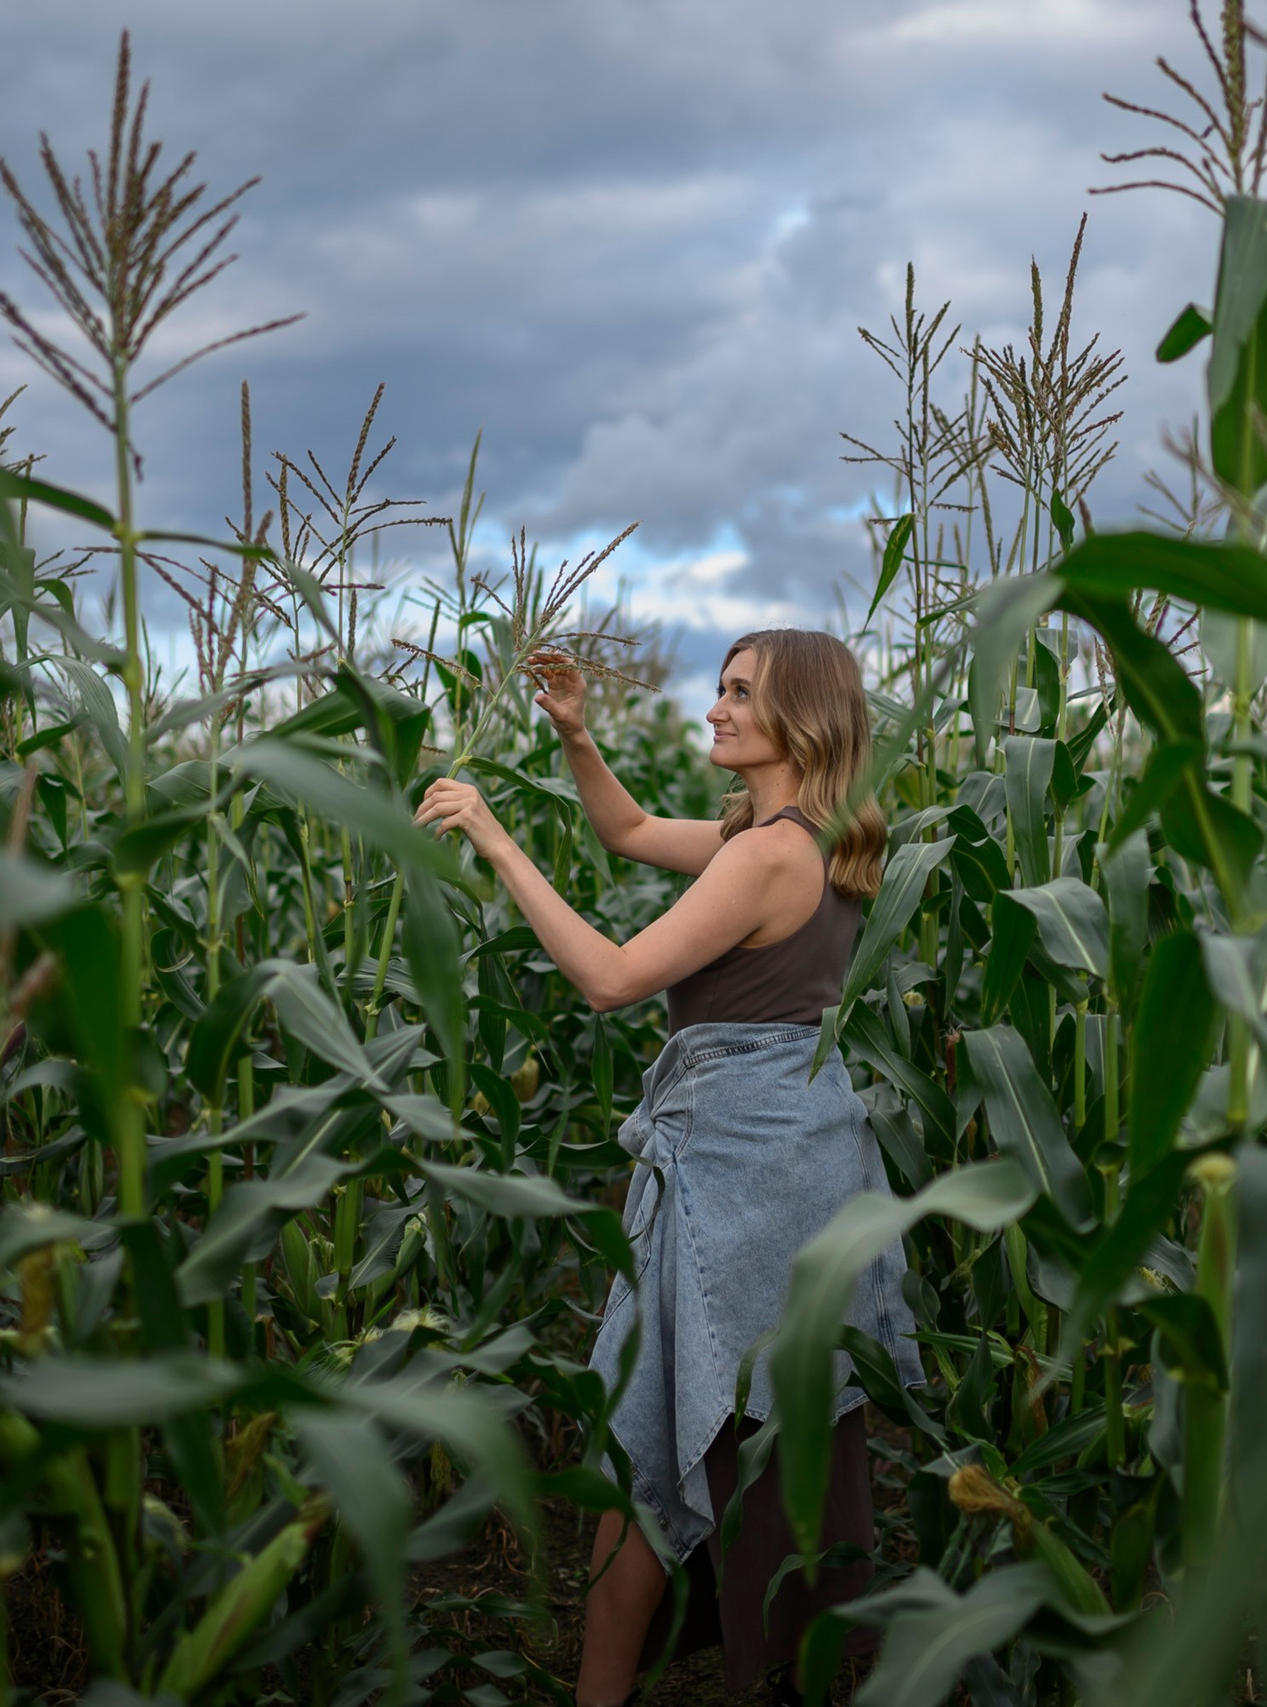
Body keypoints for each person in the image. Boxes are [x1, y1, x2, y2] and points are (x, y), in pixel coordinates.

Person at [415, 629, 923, 1707]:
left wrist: (494, 839)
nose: (716, 708)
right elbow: (631, 831)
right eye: (721, 687)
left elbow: (608, 979)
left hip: (732, 1187)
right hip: (798, 1179)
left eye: (740, 693)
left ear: (801, 718)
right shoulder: (810, 839)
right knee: (739, 1445)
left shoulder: (765, 855)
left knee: (643, 1459)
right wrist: (578, 738)